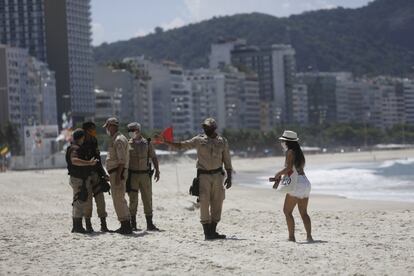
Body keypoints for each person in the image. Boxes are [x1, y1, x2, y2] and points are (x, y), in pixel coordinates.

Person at [157, 118, 232, 240]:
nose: (205, 129)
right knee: (204, 203)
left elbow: (227, 159)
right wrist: (166, 142)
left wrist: (229, 177)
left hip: (218, 176)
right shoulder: (198, 140)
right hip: (203, 177)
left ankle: (213, 231)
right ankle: (207, 233)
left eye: (207, 127)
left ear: (214, 128)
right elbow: (182, 145)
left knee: (217, 203)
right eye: (204, 127)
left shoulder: (222, 141)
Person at [273, 130, 313, 242]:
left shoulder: (290, 152)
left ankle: (291, 237)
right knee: (304, 212)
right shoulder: (300, 152)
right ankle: (309, 236)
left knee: (287, 211)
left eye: (283, 141)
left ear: (288, 142)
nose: (282, 142)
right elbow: (295, 170)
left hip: (297, 184)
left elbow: (289, 169)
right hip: (305, 182)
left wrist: (278, 174)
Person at [126, 122, 161, 231]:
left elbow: (154, 157)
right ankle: (133, 224)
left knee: (147, 199)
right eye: (129, 130)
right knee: (133, 200)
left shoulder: (147, 143)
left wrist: (157, 170)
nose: (131, 132)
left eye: (133, 129)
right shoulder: (127, 144)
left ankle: (149, 224)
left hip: (145, 175)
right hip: (133, 175)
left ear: (138, 130)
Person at [103, 117, 132, 234]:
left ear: (112, 126)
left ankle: (125, 226)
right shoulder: (116, 138)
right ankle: (125, 224)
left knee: (118, 199)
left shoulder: (119, 140)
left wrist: (118, 177)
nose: (107, 129)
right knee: (119, 199)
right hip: (115, 173)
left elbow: (121, 161)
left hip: (117, 173)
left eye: (108, 127)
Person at [66, 129, 97, 233]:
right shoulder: (75, 148)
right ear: (81, 137)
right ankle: (77, 227)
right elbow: (74, 160)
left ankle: (77, 226)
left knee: (78, 201)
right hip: (78, 179)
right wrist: (89, 163)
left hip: (79, 178)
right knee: (79, 201)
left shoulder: (74, 147)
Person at [80, 122, 110, 232]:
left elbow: (98, 160)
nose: (94, 131)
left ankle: (103, 225)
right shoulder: (80, 142)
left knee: (101, 200)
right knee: (87, 202)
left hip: (96, 175)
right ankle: (88, 225)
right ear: (86, 130)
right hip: (85, 176)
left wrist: (104, 174)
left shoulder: (94, 141)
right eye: (92, 129)